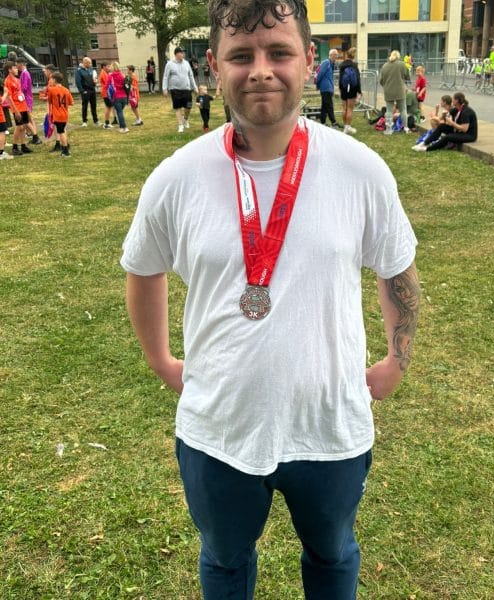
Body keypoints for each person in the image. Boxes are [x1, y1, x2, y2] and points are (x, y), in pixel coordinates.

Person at [120, 0, 420, 598]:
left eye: (278, 52)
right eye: (241, 55)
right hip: (219, 427)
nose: (260, 70)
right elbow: (143, 269)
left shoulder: (360, 170)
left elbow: (396, 270)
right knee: (225, 560)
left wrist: (397, 359)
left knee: (332, 555)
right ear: (214, 67)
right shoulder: (176, 177)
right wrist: (161, 360)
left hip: (329, 422)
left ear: (308, 61)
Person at [412, 92, 477, 152]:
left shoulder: (466, 111)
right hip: (459, 131)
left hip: (469, 135)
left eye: (453, 99)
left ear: (457, 100)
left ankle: (427, 149)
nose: (452, 101)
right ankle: (424, 143)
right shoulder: (457, 109)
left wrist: (452, 123)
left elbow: (464, 129)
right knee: (441, 126)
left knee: (447, 137)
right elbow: (444, 117)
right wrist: (440, 114)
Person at [162, 47, 198, 133]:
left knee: (188, 106)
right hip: (175, 89)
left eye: (183, 53)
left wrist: (195, 87)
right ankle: (180, 125)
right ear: (176, 54)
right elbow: (166, 76)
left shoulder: (186, 63)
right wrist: (164, 88)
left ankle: (186, 119)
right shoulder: (169, 64)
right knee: (177, 107)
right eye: (181, 53)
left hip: (186, 88)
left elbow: (191, 76)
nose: (183, 54)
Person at [2, 61, 33, 156]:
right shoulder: (8, 81)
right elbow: (9, 97)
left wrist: (26, 106)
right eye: (14, 68)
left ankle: (23, 145)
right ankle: (15, 147)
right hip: (16, 107)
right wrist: (15, 111)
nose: (16, 69)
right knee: (19, 126)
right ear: (9, 70)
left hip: (22, 105)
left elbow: (20, 93)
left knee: (23, 126)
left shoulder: (17, 79)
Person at [379, 50, 410, 135]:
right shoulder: (402, 64)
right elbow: (408, 76)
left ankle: (389, 129)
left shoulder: (385, 66)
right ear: (398, 56)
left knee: (389, 110)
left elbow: (381, 81)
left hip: (388, 90)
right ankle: (406, 128)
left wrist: (386, 85)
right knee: (403, 109)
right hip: (400, 90)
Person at [46, 72, 74, 158]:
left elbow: (49, 101)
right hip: (65, 114)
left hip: (57, 115)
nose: (50, 80)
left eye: (51, 79)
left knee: (61, 132)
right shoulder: (66, 90)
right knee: (62, 130)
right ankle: (65, 147)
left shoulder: (51, 90)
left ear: (54, 80)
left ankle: (65, 151)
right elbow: (71, 102)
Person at [16, 59, 42, 144]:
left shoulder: (25, 73)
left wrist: (18, 91)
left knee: (29, 117)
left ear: (21, 64)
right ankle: (31, 133)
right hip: (26, 98)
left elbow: (24, 87)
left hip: (26, 98)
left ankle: (35, 136)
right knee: (28, 118)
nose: (16, 66)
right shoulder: (24, 73)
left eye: (17, 64)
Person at [315, 48, 341, 128]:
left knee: (324, 106)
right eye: (335, 55)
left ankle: (322, 122)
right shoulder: (326, 62)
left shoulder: (331, 64)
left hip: (328, 88)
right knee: (329, 105)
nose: (337, 56)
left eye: (337, 55)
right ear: (331, 55)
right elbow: (320, 74)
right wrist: (317, 84)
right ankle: (333, 122)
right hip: (325, 88)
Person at [338, 46, 361, 134]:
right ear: (353, 56)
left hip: (343, 88)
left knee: (344, 108)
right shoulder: (354, 65)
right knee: (350, 109)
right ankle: (348, 127)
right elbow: (357, 79)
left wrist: (340, 88)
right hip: (352, 88)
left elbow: (340, 79)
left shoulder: (342, 65)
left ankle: (345, 126)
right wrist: (359, 91)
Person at [75, 57, 99, 127]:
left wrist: (95, 82)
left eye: (91, 63)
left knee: (94, 105)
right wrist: (82, 91)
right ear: (85, 63)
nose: (91, 64)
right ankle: (84, 121)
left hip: (92, 89)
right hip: (85, 90)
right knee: (85, 106)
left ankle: (96, 120)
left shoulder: (91, 69)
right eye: (89, 63)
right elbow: (78, 81)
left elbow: (94, 78)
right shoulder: (79, 70)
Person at [107, 62, 129, 133]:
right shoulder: (122, 75)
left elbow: (108, 86)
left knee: (119, 112)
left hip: (116, 96)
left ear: (112, 68)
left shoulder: (111, 76)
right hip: (124, 96)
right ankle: (122, 127)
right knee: (120, 112)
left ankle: (123, 127)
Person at [99, 63, 116, 129]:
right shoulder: (103, 73)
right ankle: (106, 123)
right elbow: (108, 83)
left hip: (106, 93)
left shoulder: (105, 73)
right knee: (109, 107)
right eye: (108, 66)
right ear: (104, 67)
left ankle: (107, 122)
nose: (109, 68)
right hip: (106, 93)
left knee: (108, 107)